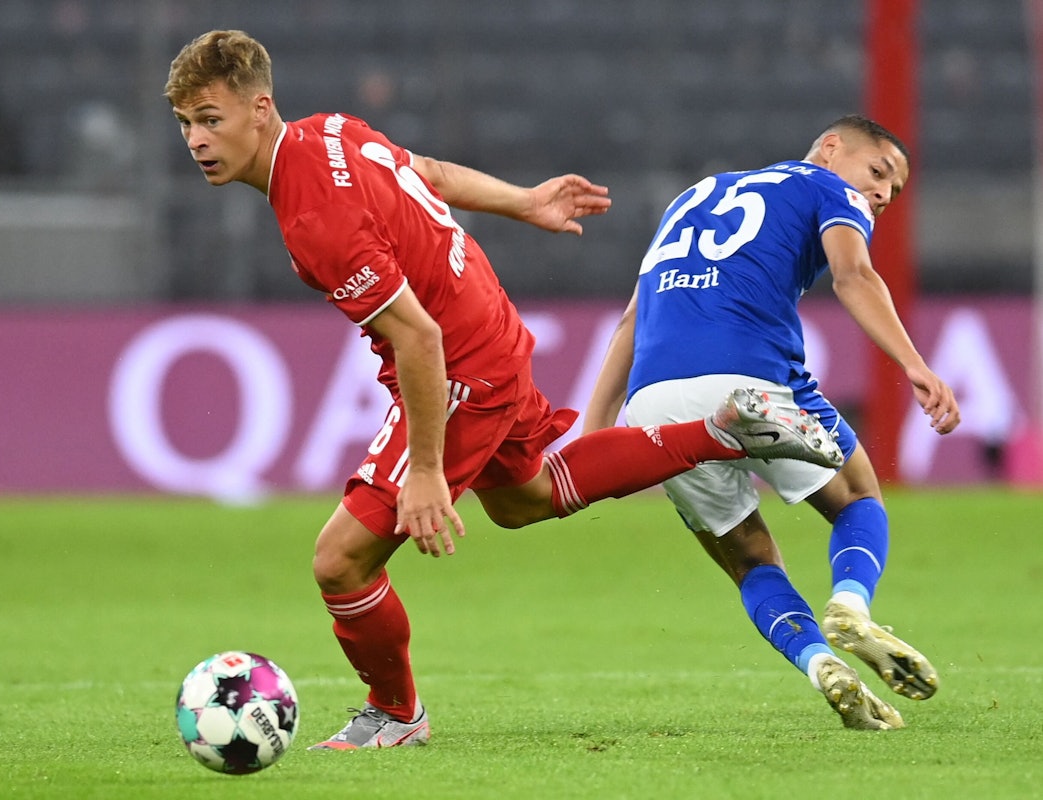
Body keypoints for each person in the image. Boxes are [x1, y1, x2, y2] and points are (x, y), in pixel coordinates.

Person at [164, 30, 844, 750]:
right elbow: (423, 171)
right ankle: (724, 429)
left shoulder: (312, 218)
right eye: (185, 123)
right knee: (524, 499)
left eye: (211, 118)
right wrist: (521, 202)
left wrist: (424, 471)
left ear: (260, 109)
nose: (196, 140)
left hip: (457, 360)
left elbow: (418, 339)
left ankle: (396, 716)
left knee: (339, 562)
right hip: (485, 323)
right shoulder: (331, 131)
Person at [584, 114, 960, 731]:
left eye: (895, 190)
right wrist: (916, 364)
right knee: (859, 496)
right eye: (879, 172)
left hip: (654, 398)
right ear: (831, 149)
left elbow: (631, 321)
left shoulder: (693, 197)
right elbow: (853, 275)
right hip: (753, 383)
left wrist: (596, 441)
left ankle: (818, 664)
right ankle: (849, 605)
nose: (884, 194)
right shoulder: (826, 187)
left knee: (750, 560)